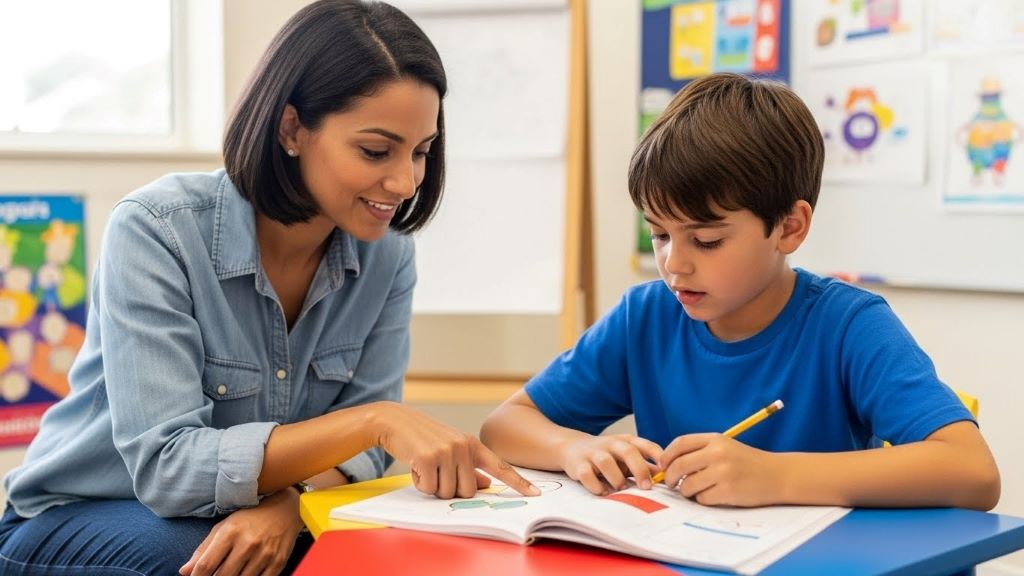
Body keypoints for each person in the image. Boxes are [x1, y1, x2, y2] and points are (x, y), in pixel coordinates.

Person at [0, 2, 536, 575]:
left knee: (374, 546)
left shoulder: (389, 257)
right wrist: (371, 420)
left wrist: (292, 499)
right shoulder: (156, 230)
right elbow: (167, 468)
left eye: (422, 152)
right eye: (376, 151)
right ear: (291, 129)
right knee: (201, 559)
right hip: (79, 513)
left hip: (242, 505)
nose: (405, 182)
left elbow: (364, 459)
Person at [481, 72, 1001, 512]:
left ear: (790, 228)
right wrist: (576, 448)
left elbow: (973, 471)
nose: (673, 263)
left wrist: (775, 477)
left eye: (706, 240)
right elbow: (505, 425)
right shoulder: (646, 317)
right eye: (659, 234)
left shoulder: (848, 325)